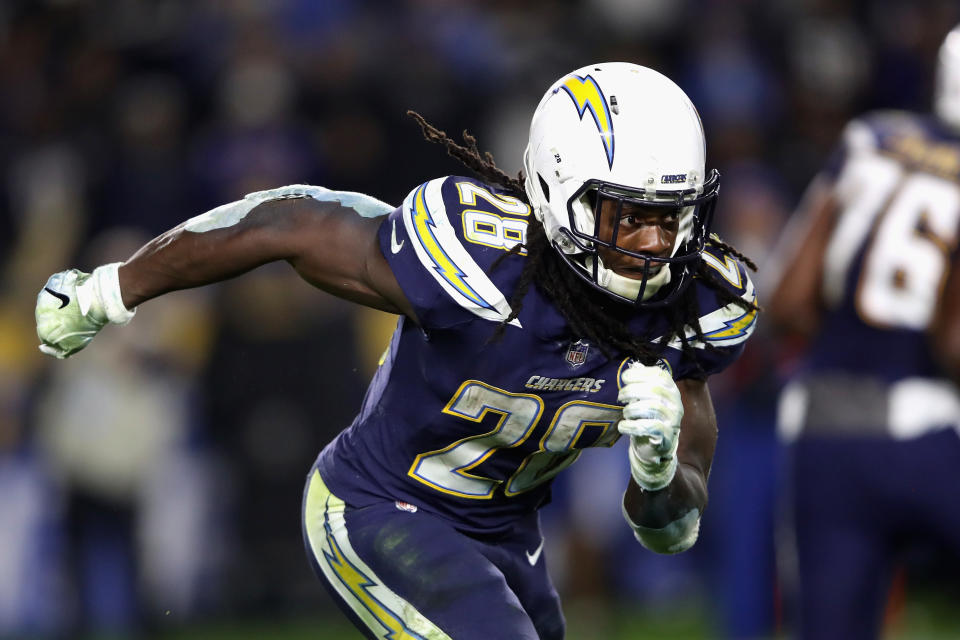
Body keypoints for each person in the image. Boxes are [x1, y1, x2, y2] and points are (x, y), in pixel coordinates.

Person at [35, 62, 758, 639]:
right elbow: (289, 221)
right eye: (629, 216)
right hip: (379, 505)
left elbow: (671, 533)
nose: (656, 244)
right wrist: (114, 288)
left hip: (508, 537)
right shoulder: (477, 260)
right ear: (557, 188)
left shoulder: (696, 310)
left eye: (673, 216)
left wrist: (659, 467)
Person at [767, 26, 960, 640]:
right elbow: (954, 341)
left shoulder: (871, 138)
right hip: (928, 430)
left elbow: (788, 300)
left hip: (825, 431)